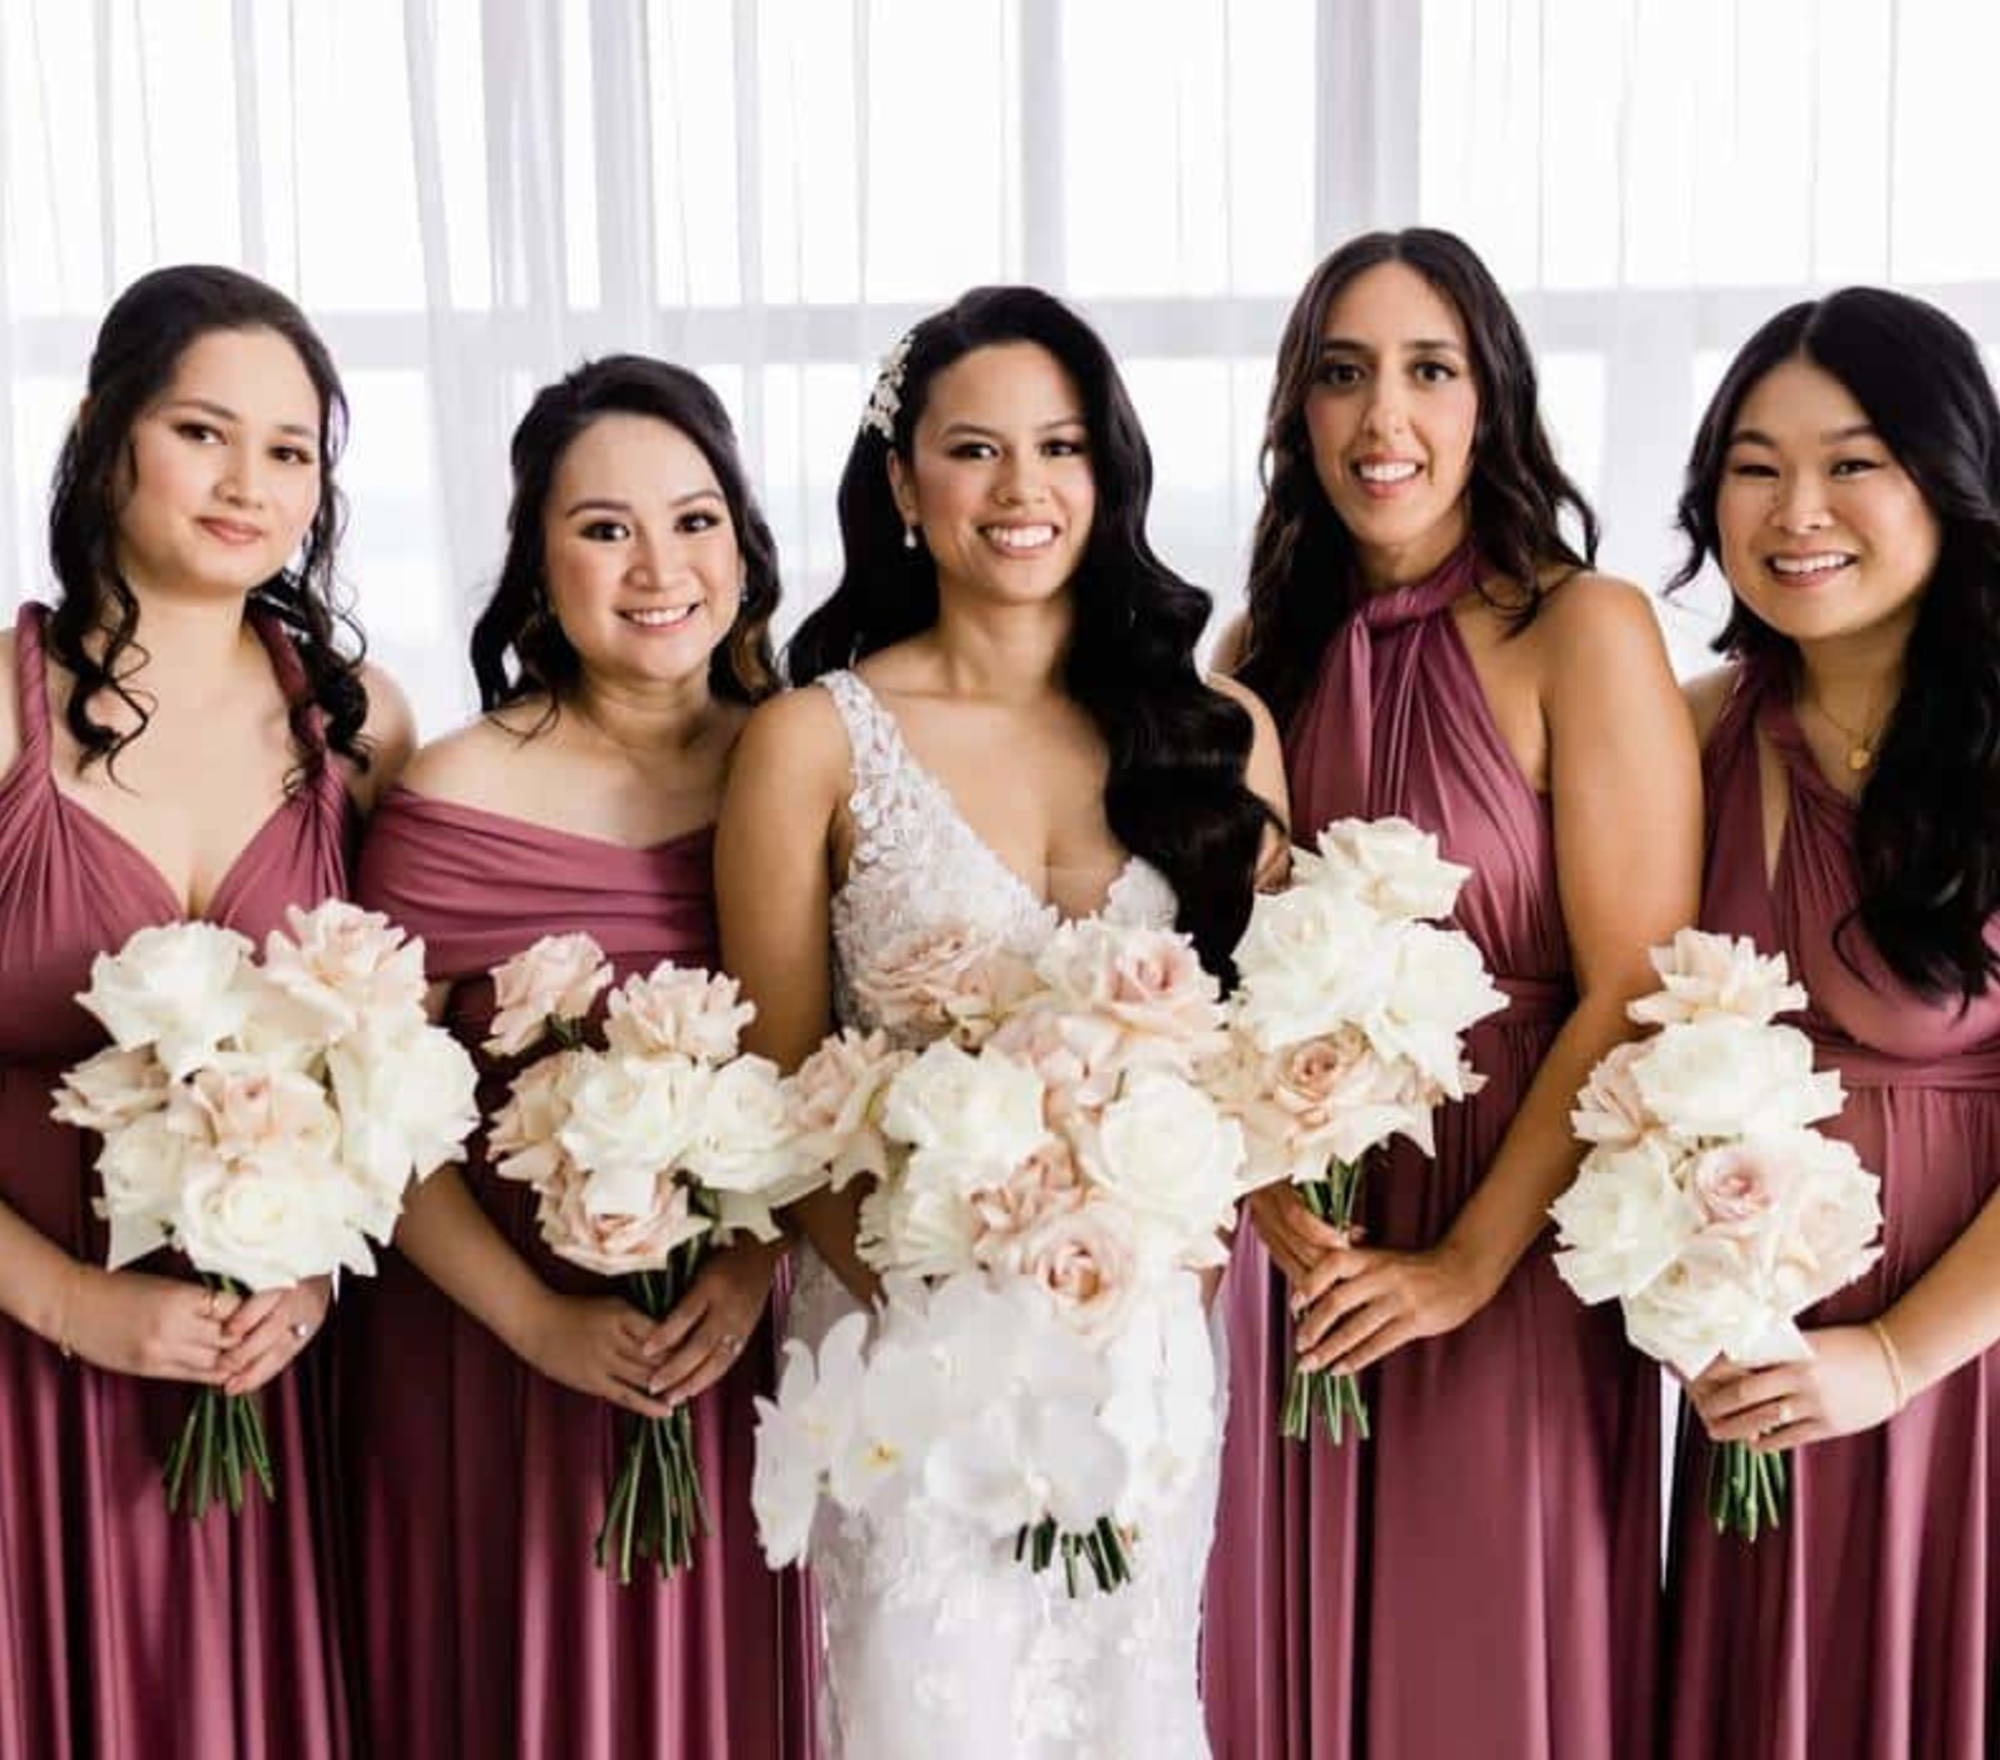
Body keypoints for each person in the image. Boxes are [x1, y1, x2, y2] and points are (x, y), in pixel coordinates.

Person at [716, 284, 1286, 1758]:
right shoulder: (810, 741)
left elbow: (1257, 1060)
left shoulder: (1215, 730)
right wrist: (965, 1324)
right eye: (975, 450)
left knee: (1136, 1702)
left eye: (1062, 446)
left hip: (1147, 1341)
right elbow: (782, 1099)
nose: (1023, 489)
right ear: (904, 484)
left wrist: (1123, 1287)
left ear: (1108, 473)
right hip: (912, 1354)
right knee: (930, 1709)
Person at [1208, 227, 1697, 1758]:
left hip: (1523, 1242)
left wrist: (1469, 1271)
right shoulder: (1252, 657)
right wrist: (1274, 1189)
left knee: (1488, 1679)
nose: (1383, 420)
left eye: (1429, 370)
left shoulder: (1583, 628)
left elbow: (1634, 985)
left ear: (1492, 397)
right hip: (1313, 1258)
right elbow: (1225, 978)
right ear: (1296, 412)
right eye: (1341, 375)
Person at [346, 356, 807, 1756]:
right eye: (605, 528)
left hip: (735, 1346)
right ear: (538, 568)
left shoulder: (808, 763)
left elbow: (855, 1067)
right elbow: (376, 1107)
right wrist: (537, 1323)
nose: (658, 564)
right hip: (493, 1354)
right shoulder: (455, 793)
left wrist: (748, 1265)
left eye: (696, 518)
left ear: (744, 543)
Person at [0, 263, 411, 1760]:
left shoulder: (357, 722)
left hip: (261, 1380)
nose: (251, 482)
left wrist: (311, 1278)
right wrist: (75, 1306)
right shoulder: (2, 706)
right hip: (20, 1363)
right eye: (203, 431)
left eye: (291, 450)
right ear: (110, 441)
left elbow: (397, 1058)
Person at [1665, 287, 2000, 1760]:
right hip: (1763, 1388)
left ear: (1950, 476)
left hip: (1969, 1368)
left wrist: (1897, 1360)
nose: (1798, 509)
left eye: (1853, 462)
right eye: (1755, 465)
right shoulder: (1683, 735)